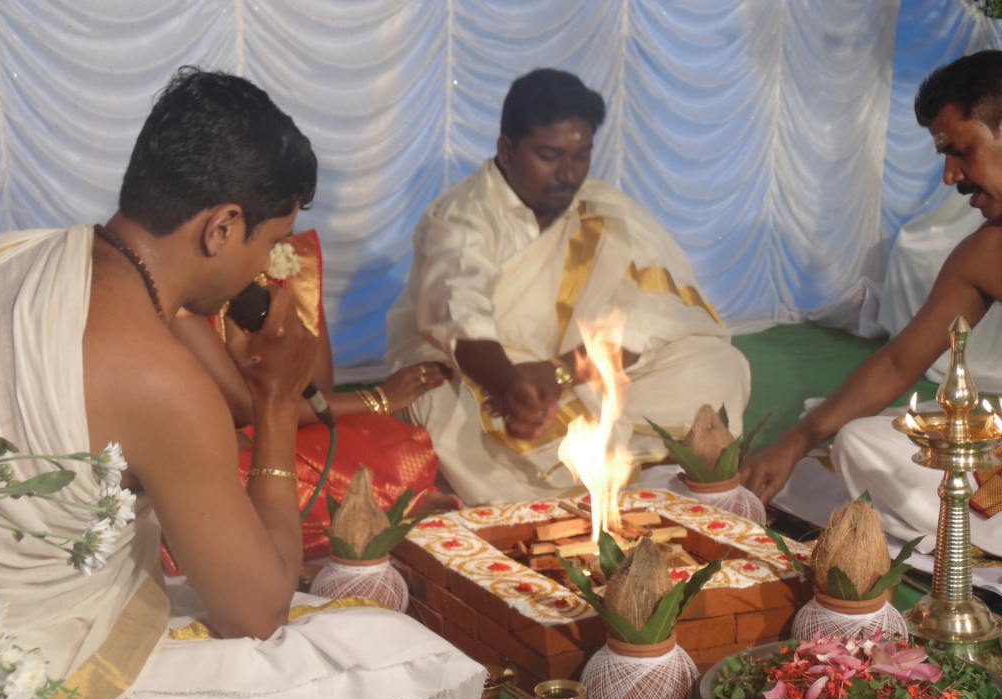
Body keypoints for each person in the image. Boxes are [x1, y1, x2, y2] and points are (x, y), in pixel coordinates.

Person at [0, 67, 483, 699]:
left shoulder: (8, 255)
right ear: (221, 227)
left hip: (10, 616)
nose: (265, 269)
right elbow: (256, 614)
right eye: (270, 244)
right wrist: (275, 406)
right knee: (408, 663)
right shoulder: (160, 379)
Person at [387, 68, 750, 505]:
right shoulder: (464, 218)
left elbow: (650, 316)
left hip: (571, 367)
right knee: (437, 403)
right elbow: (460, 320)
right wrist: (511, 387)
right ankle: (571, 495)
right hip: (480, 373)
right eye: (550, 155)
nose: (568, 173)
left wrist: (559, 372)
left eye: (581, 156)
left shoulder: (600, 205)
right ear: (507, 150)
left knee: (719, 365)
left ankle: (616, 478)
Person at [741, 50, 1002, 557]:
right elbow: (900, 362)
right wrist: (796, 440)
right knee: (860, 441)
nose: (950, 176)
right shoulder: (985, 253)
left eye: (961, 152)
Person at [169, 228, 456, 564]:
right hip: (220, 442)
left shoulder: (293, 257)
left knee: (399, 445)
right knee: (221, 489)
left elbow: (319, 389)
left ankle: (388, 511)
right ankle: (388, 514)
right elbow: (244, 406)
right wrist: (378, 399)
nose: (276, 248)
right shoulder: (182, 277)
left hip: (288, 425)